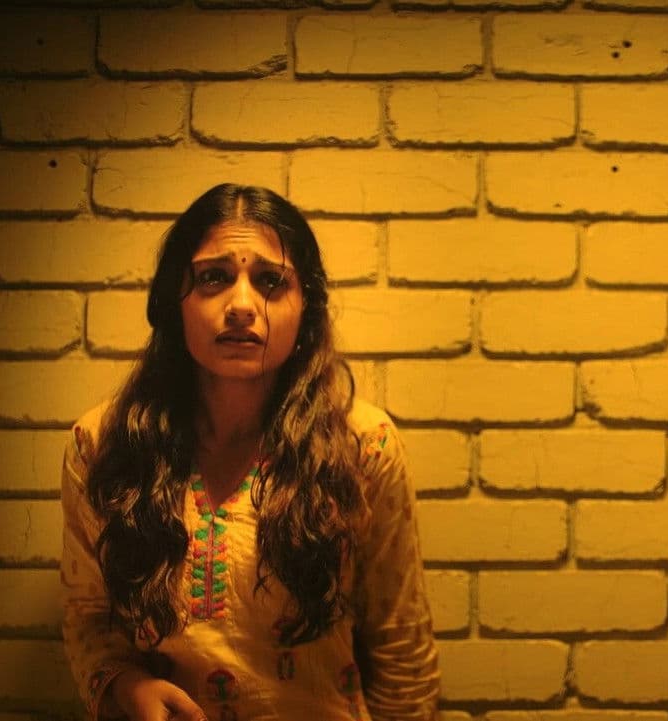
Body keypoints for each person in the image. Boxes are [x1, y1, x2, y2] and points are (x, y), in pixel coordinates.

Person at [59, 184, 439, 721]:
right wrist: (127, 685)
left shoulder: (363, 446)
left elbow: (402, 649)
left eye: (270, 281)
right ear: (173, 301)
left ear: (306, 309)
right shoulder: (103, 446)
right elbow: (88, 616)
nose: (241, 306)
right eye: (213, 277)